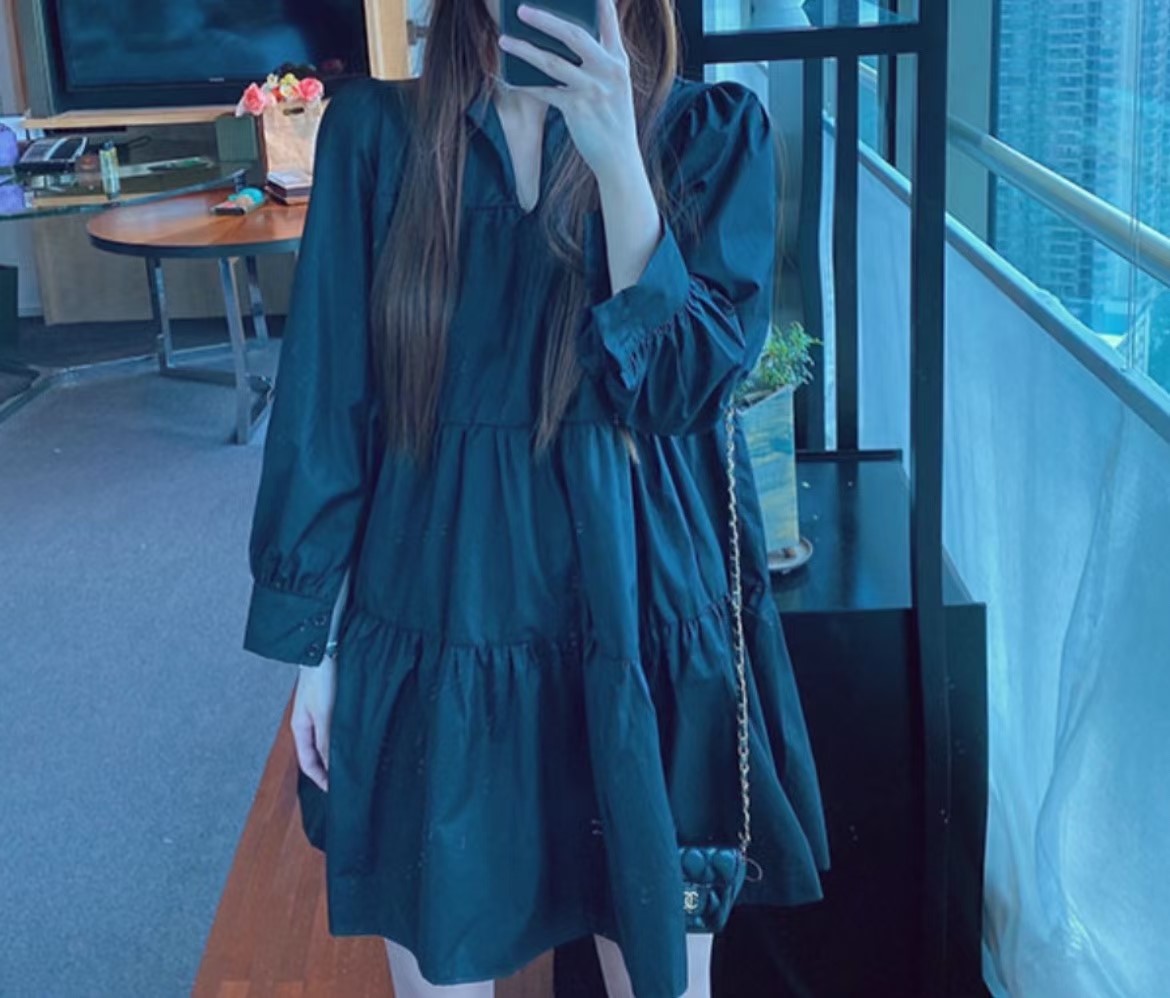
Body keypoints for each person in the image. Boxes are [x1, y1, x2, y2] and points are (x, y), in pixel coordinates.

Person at [241, 0, 830, 993]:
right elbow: (327, 401)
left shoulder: (708, 132)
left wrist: (618, 161)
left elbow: (687, 391)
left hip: (642, 616)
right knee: (444, 959)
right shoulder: (376, 139)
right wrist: (315, 647)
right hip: (437, 616)